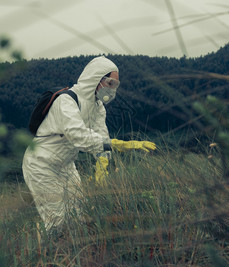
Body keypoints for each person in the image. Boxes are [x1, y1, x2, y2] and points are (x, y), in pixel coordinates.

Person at [22, 56, 156, 235]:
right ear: (95, 78)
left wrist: (103, 165)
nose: (111, 88)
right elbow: (77, 135)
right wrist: (117, 144)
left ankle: (73, 255)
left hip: (66, 166)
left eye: (115, 84)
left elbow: (101, 136)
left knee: (79, 215)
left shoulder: (98, 106)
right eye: (109, 82)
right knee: (57, 222)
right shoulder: (67, 100)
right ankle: (48, 259)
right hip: (41, 165)